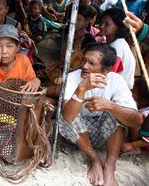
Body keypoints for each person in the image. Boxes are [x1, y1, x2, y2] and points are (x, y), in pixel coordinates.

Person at [58, 43, 141, 186]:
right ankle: (95, 159)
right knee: (66, 115)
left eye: (91, 63)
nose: (84, 65)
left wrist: (110, 106)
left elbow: (136, 121)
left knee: (116, 111)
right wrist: (81, 89)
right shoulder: (73, 77)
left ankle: (110, 166)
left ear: (107, 69)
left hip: (104, 135)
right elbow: (67, 118)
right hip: (79, 135)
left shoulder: (116, 81)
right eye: (84, 60)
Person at [0, 25, 40, 113]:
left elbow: (32, 79)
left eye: (9, 46)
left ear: (17, 47)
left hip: (15, 104)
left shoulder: (23, 59)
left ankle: (23, 126)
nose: (4, 51)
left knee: (39, 102)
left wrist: (36, 80)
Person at [99, 8, 136, 89]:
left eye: (107, 24)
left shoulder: (117, 46)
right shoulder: (117, 43)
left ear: (118, 27)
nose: (101, 26)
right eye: (101, 23)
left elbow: (110, 73)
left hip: (118, 90)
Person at [121, 78, 149, 153]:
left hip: (146, 142)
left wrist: (132, 145)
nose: (130, 92)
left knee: (135, 119)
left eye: (133, 91)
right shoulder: (142, 104)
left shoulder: (146, 114)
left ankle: (135, 148)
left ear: (143, 99)